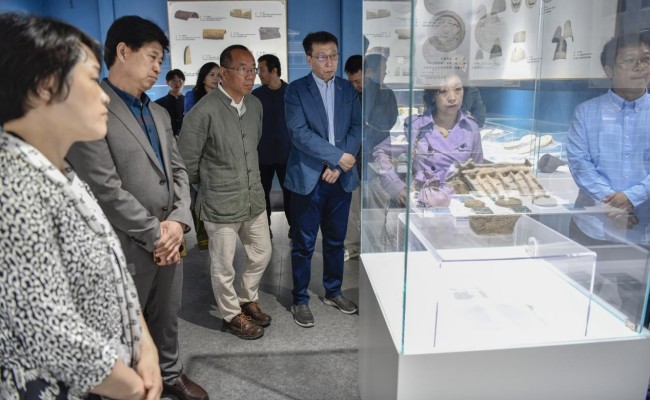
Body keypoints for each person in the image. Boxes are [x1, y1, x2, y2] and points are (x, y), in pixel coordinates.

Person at [0, 13, 161, 399]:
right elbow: (45, 326)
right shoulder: (12, 186)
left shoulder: (61, 172)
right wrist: (131, 387)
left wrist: (145, 348)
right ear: (44, 87)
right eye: (91, 79)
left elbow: (113, 270)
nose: (103, 95)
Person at [66, 16, 208, 400]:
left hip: (169, 238)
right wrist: (155, 233)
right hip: (123, 244)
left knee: (167, 314)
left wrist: (178, 222)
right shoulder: (93, 108)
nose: (158, 67)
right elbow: (104, 188)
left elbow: (179, 172)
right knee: (121, 325)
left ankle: (170, 372)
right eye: (152, 56)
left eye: (161, 59)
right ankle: (124, 387)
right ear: (123, 51)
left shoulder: (158, 113)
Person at [178, 45, 272, 340]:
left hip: (253, 197)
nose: (250, 75)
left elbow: (253, 144)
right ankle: (232, 315)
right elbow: (187, 162)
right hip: (220, 202)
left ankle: (247, 297)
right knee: (223, 265)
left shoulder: (255, 105)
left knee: (262, 252)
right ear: (223, 73)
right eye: (242, 69)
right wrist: (210, 184)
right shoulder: (202, 111)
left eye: (253, 69)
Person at [567, 33, 650, 327]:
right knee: (581, 306)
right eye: (630, 60)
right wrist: (613, 203)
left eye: (645, 59)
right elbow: (579, 163)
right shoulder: (586, 112)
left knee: (636, 314)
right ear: (609, 70)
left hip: (642, 231)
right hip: (592, 227)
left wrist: (630, 199)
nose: (640, 66)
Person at [284, 31, 362, 327]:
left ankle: (333, 291)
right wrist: (337, 157)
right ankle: (300, 299)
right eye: (322, 57)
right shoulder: (296, 91)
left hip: (340, 178)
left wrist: (340, 166)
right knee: (303, 243)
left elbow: (356, 128)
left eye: (333, 56)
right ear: (309, 59)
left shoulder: (347, 89)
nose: (329, 62)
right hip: (309, 177)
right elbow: (299, 133)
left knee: (335, 240)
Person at [373, 72, 483, 207]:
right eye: (443, 91)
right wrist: (395, 186)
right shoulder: (416, 126)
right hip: (424, 202)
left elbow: (476, 170)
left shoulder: (471, 127)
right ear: (433, 96)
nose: (452, 97)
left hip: (458, 204)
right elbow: (381, 151)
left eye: (458, 89)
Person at [252, 54, 292, 239]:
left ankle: (294, 228)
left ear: (273, 70)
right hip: (262, 156)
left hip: (287, 154)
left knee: (291, 193)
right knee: (262, 194)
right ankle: (264, 229)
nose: (258, 73)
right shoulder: (255, 96)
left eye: (261, 69)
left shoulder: (291, 93)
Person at [343, 54, 363, 261]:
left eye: (358, 81)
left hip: (374, 162)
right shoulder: (347, 96)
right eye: (352, 82)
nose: (356, 86)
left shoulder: (382, 95)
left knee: (373, 211)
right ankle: (352, 245)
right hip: (351, 163)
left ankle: (373, 246)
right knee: (351, 209)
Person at [155, 69, 185, 137]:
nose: (177, 83)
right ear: (167, 82)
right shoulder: (158, 104)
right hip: (166, 139)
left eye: (180, 80)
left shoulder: (189, 102)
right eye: (174, 80)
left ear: (184, 82)